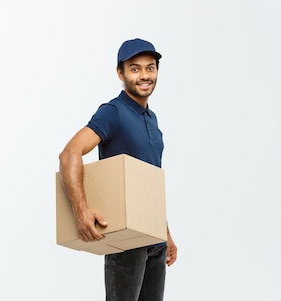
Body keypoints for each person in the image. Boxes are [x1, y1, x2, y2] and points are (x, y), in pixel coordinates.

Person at [58, 38, 178, 301]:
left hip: (155, 240)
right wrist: (81, 211)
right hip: (127, 242)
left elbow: (150, 181)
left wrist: (165, 233)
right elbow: (69, 154)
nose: (144, 75)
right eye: (135, 69)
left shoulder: (152, 119)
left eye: (150, 68)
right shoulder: (113, 112)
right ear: (120, 73)